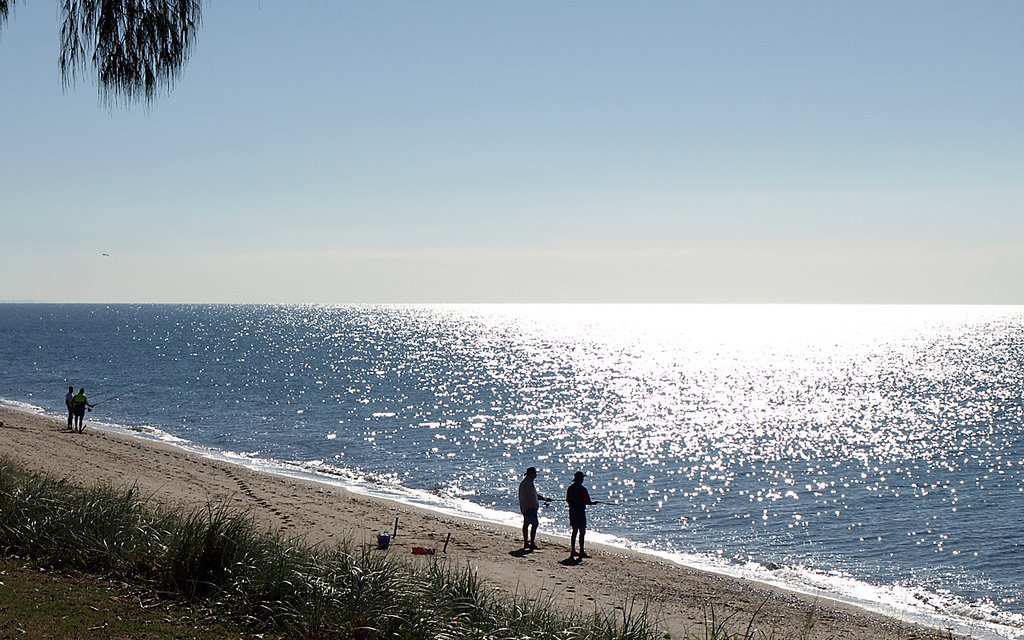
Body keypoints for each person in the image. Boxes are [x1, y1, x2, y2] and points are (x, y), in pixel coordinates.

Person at [566, 470, 600, 559]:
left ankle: (573, 550)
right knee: (582, 531)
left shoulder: (570, 488)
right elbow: (587, 501)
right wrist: (593, 503)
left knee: (574, 531)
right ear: (581, 479)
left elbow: (567, 500)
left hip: (572, 511)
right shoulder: (582, 489)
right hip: (580, 512)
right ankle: (581, 551)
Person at [518, 467, 549, 550]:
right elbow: (532, 496)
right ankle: (530, 543)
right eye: (535, 473)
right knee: (534, 524)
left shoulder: (526, 482)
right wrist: (536, 504)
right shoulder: (527, 483)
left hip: (526, 507)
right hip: (529, 508)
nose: (536, 474)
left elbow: (534, 495)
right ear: (531, 473)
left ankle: (527, 543)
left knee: (527, 524)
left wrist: (544, 498)